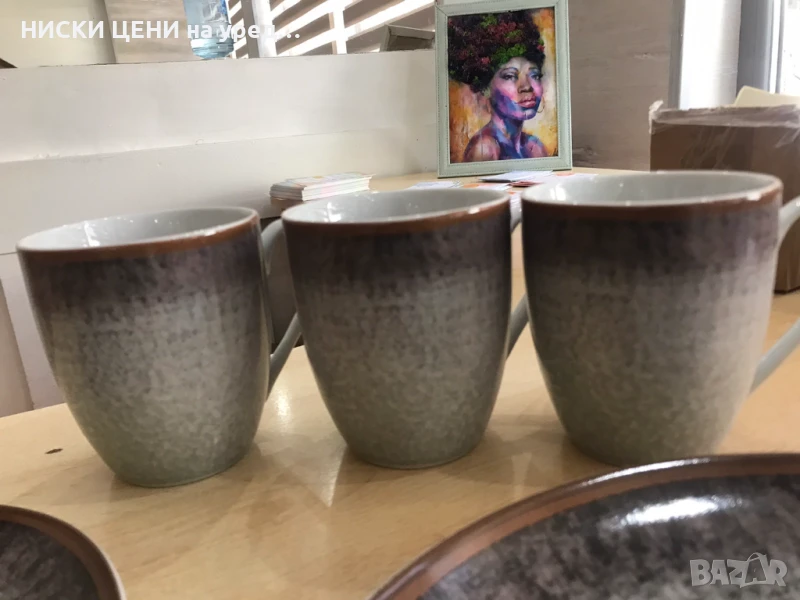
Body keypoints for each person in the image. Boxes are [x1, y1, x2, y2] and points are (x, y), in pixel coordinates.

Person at [448, 11, 550, 162]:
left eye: (534, 75)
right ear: (485, 88)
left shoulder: (534, 147)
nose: (526, 87)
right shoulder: (485, 149)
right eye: (510, 76)